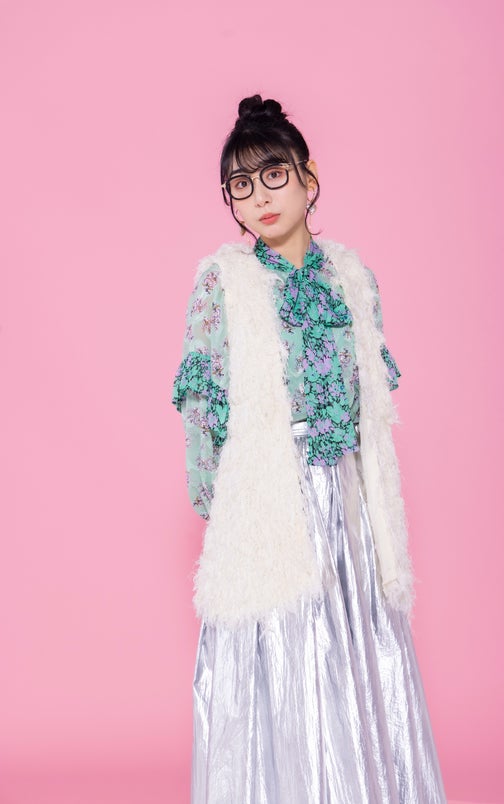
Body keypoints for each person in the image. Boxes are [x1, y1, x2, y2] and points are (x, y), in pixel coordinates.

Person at [172, 94, 447, 804]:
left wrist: (365, 509)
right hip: (269, 501)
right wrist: (225, 509)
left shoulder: (352, 279)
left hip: (348, 508)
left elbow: (371, 408)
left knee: (353, 657)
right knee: (284, 663)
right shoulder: (224, 283)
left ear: (308, 176)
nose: (259, 197)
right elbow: (203, 407)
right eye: (240, 184)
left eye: (273, 175)